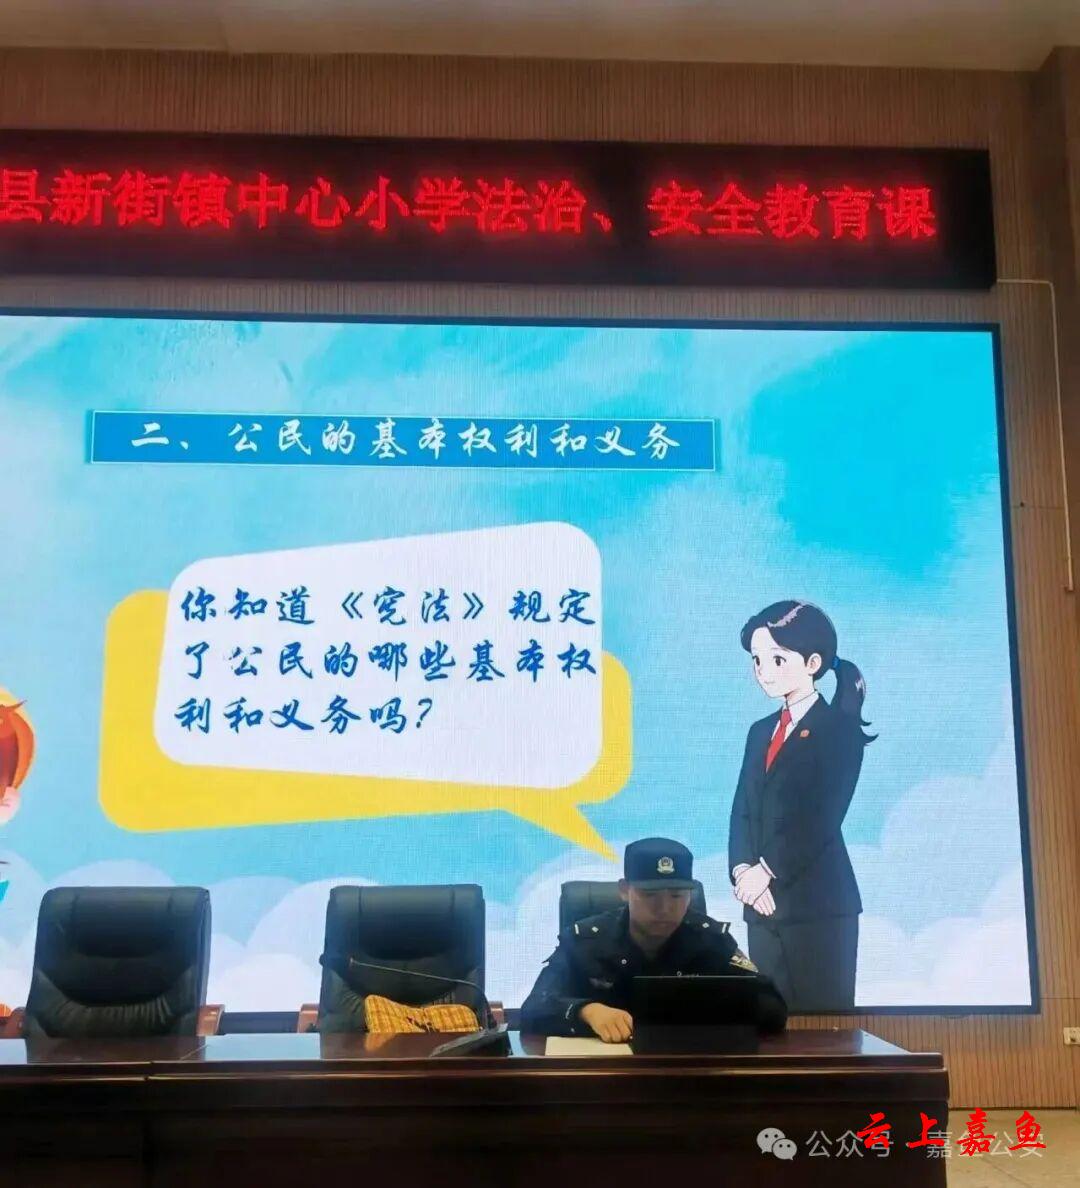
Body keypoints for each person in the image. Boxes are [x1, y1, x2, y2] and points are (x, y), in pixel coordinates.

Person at [728, 600, 873, 1012]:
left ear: (813, 663)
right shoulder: (760, 732)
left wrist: (766, 870)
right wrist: (742, 871)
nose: (764, 671)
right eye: (757, 660)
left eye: (777, 659)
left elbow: (821, 818)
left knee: (825, 1029)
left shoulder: (838, 729)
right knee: (767, 1024)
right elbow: (742, 808)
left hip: (818, 907)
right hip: (761, 907)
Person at [520, 837, 787, 1040]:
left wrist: (706, 1008)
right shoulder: (586, 942)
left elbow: (773, 1009)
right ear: (624, 890)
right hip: (605, 1080)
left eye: (676, 896)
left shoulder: (710, 940)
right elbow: (533, 1009)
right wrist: (586, 1011)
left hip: (690, 1075)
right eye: (650, 896)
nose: (665, 909)